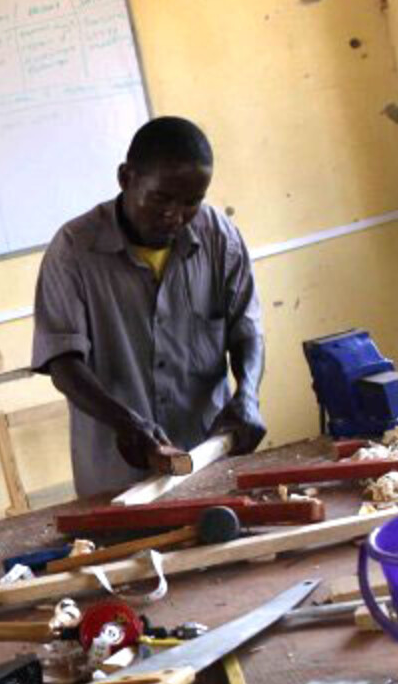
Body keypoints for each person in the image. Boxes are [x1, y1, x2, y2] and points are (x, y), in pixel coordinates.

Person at [31, 116, 265, 497]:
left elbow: (247, 329)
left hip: (209, 459)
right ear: (126, 178)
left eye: (192, 202)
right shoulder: (73, 250)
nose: (175, 215)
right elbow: (63, 364)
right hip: (118, 478)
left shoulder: (220, 238)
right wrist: (124, 422)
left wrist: (248, 394)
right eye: (161, 198)